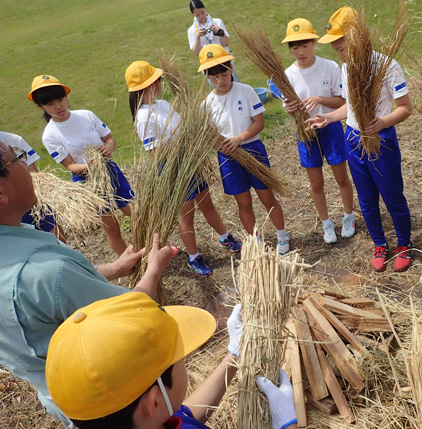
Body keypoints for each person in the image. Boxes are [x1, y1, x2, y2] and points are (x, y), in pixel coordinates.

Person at [0, 141, 174, 429]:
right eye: (16, 158)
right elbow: (132, 313)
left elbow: (51, 297)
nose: (27, 165)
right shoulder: (44, 271)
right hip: (116, 404)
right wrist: (154, 268)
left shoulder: (21, 256)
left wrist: (114, 269)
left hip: (67, 400)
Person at [46, 292, 301, 429]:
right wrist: (287, 428)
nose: (183, 361)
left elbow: (182, 416)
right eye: (180, 359)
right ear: (155, 401)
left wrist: (232, 358)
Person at [309, 6, 413, 273]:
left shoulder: (387, 66)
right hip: (353, 138)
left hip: (381, 139)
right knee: (366, 198)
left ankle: (403, 244)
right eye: (337, 50)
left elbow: (406, 107)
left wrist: (384, 122)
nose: (339, 54)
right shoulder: (346, 68)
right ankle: (380, 243)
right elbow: (351, 108)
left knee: (392, 195)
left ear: (356, 39)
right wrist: (329, 118)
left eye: (342, 48)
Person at [125, 60, 242, 277]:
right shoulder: (143, 117)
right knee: (186, 215)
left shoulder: (162, 105)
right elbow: (156, 153)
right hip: (173, 170)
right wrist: (186, 145)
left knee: (207, 204)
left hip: (190, 163)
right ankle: (193, 256)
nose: (160, 83)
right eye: (157, 80)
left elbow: (181, 129)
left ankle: (225, 236)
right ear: (150, 85)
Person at [199, 44, 291, 255]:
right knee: (243, 202)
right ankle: (254, 240)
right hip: (228, 157)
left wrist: (239, 139)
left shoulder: (246, 91)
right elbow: (208, 135)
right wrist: (223, 145)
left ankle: (282, 235)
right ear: (206, 76)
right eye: (214, 77)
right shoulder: (207, 104)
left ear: (232, 68)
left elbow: (258, 122)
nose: (220, 80)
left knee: (267, 196)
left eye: (224, 74)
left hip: (253, 150)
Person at [28, 74, 134, 255]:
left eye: (61, 100)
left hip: (110, 171)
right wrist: (89, 166)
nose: (58, 106)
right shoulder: (50, 135)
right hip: (88, 183)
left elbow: (109, 139)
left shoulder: (86, 115)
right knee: (112, 228)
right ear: (40, 106)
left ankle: (150, 247)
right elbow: (70, 166)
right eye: (50, 104)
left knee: (135, 213)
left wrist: (108, 148)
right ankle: (132, 263)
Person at [281, 18, 355, 244]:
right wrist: (290, 108)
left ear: (314, 41)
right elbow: (288, 107)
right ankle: (326, 223)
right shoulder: (288, 74)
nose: (300, 51)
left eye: (304, 45)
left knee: (341, 176)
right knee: (315, 183)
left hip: (330, 127)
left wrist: (319, 99)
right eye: (294, 46)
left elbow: (343, 102)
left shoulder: (329, 67)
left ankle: (349, 216)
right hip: (306, 132)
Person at [0, 130, 66, 242]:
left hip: (32, 203)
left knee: (57, 241)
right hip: (7, 208)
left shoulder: (13, 139)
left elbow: (34, 174)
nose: (23, 163)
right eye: (17, 159)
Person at [187, 0, 240, 83]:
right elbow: (197, 53)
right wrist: (198, 37)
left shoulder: (217, 22)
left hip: (223, 59)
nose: (201, 16)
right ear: (193, 14)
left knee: (233, 81)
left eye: (202, 12)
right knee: (217, 85)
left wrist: (221, 33)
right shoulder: (192, 30)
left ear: (205, 9)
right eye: (197, 15)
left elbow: (226, 43)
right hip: (209, 62)